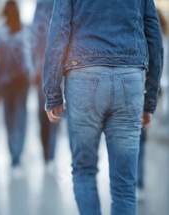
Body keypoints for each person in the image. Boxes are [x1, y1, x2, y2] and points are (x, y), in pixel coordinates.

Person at [43, 0, 163, 214]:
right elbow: (154, 35)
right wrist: (150, 98)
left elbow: (59, 30)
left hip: (83, 79)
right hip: (130, 79)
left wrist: (52, 92)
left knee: (84, 170)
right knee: (125, 183)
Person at [0, 0, 30, 170]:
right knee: (21, 118)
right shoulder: (25, 30)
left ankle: (12, 153)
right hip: (22, 81)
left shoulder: (0, 32)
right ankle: (17, 156)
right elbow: (29, 60)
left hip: (5, 82)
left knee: (8, 119)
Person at [137, 9, 168, 201]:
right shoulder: (163, 39)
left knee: (137, 139)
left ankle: (136, 182)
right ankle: (139, 183)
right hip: (157, 89)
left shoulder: (143, 37)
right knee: (141, 138)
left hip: (141, 90)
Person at [31, 0, 59, 168]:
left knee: (43, 113)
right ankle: (51, 155)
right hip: (58, 67)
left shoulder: (40, 7)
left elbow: (35, 39)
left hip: (42, 68)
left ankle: (46, 153)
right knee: (54, 111)